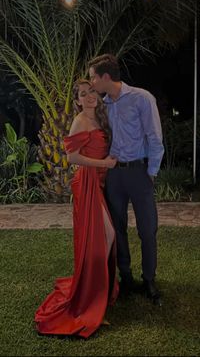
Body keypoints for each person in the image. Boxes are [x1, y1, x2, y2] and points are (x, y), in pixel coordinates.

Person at [35, 80, 119, 338]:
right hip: (87, 183)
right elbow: (71, 158)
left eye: (92, 91)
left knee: (103, 238)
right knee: (104, 237)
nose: (90, 96)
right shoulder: (80, 120)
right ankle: (90, 298)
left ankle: (96, 290)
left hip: (99, 183)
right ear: (78, 101)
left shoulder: (100, 118)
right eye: (84, 94)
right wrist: (102, 162)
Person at [88, 54, 164, 305]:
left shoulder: (142, 98)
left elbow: (155, 138)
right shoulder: (104, 105)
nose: (92, 83)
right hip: (115, 175)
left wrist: (151, 173)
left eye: (93, 78)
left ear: (105, 77)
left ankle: (149, 279)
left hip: (139, 172)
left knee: (147, 229)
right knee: (117, 228)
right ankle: (127, 277)